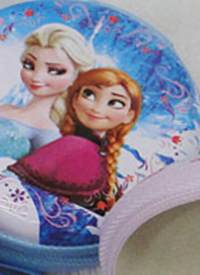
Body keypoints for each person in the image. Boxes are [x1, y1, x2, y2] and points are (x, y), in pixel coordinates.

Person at [8, 67, 142, 217]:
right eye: (89, 94)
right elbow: (11, 184)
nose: (97, 109)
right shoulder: (71, 145)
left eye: (116, 103)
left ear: (129, 116)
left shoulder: (101, 154)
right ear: (74, 99)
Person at [0, 25, 94, 159]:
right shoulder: (4, 108)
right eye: (29, 65)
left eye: (55, 71)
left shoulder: (50, 134)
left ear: (75, 77)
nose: (36, 77)